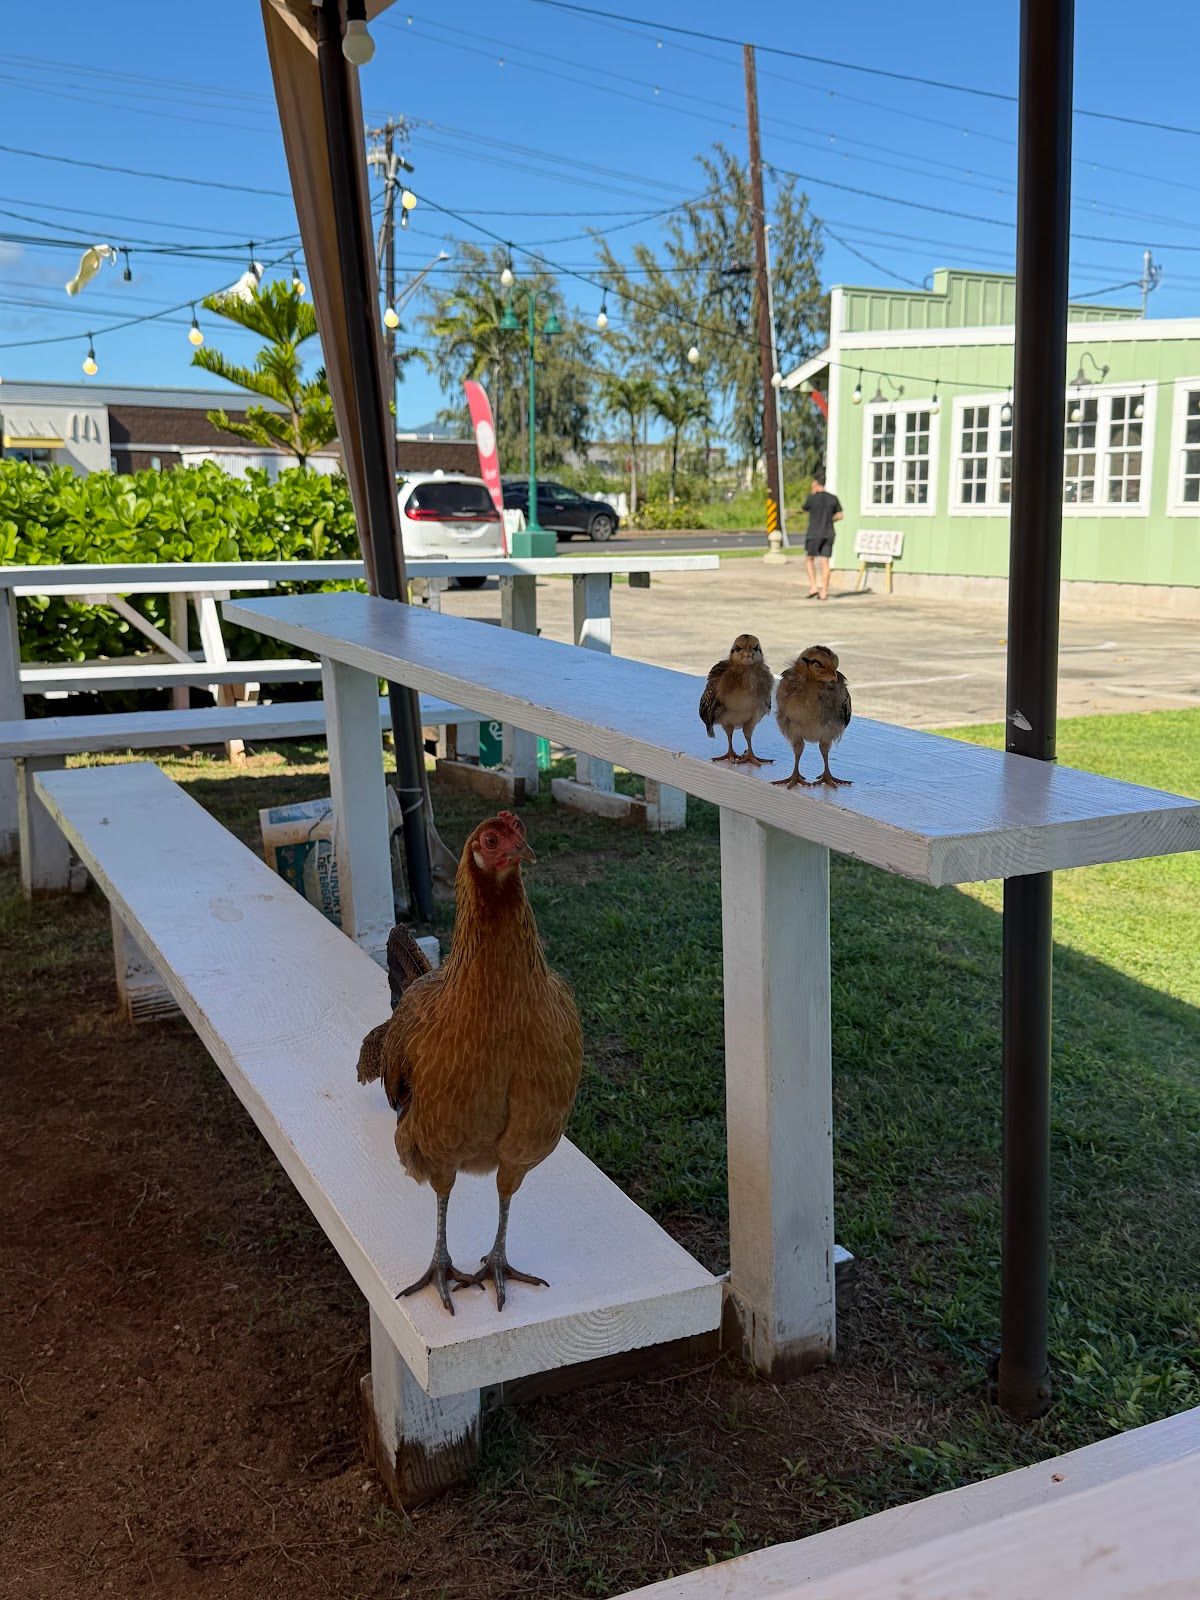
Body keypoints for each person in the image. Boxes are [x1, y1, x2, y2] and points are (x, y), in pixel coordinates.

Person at [801, 474, 843, 601]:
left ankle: (814, 586)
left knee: (809, 560)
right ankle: (824, 592)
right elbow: (840, 515)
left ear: (816, 485)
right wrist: (829, 519)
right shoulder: (833, 498)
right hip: (829, 533)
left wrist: (813, 494)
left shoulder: (812, 498)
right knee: (825, 562)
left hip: (814, 533)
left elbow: (804, 509)